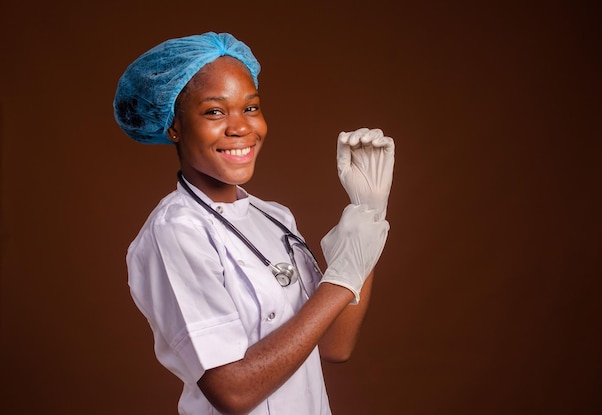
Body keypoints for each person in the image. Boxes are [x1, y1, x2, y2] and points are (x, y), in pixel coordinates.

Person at [113, 31, 395, 415]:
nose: (240, 127)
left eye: (250, 108)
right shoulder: (175, 231)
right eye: (214, 111)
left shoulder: (274, 217)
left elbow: (333, 345)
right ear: (173, 126)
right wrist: (341, 277)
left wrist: (369, 216)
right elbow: (233, 392)